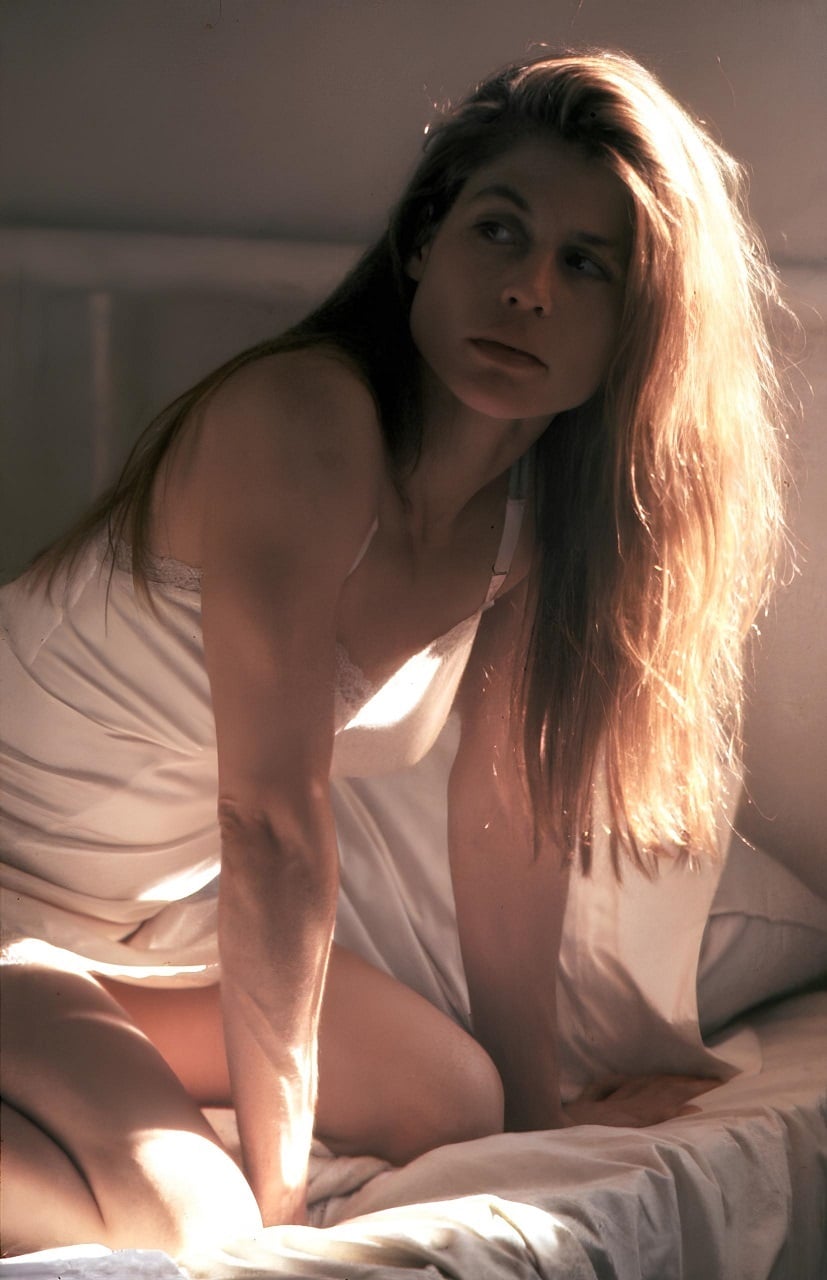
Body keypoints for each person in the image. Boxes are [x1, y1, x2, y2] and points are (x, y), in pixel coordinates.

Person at [0, 49, 791, 1258]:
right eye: (497, 230)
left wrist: (537, 1124)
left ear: (638, 327)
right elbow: (270, 821)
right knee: (191, 1223)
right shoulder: (304, 421)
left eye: (585, 264)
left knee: (454, 1102)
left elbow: (503, 824)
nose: (526, 289)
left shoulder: (531, 526)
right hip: (13, 895)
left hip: (135, 940)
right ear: (422, 244)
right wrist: (277, 1198)